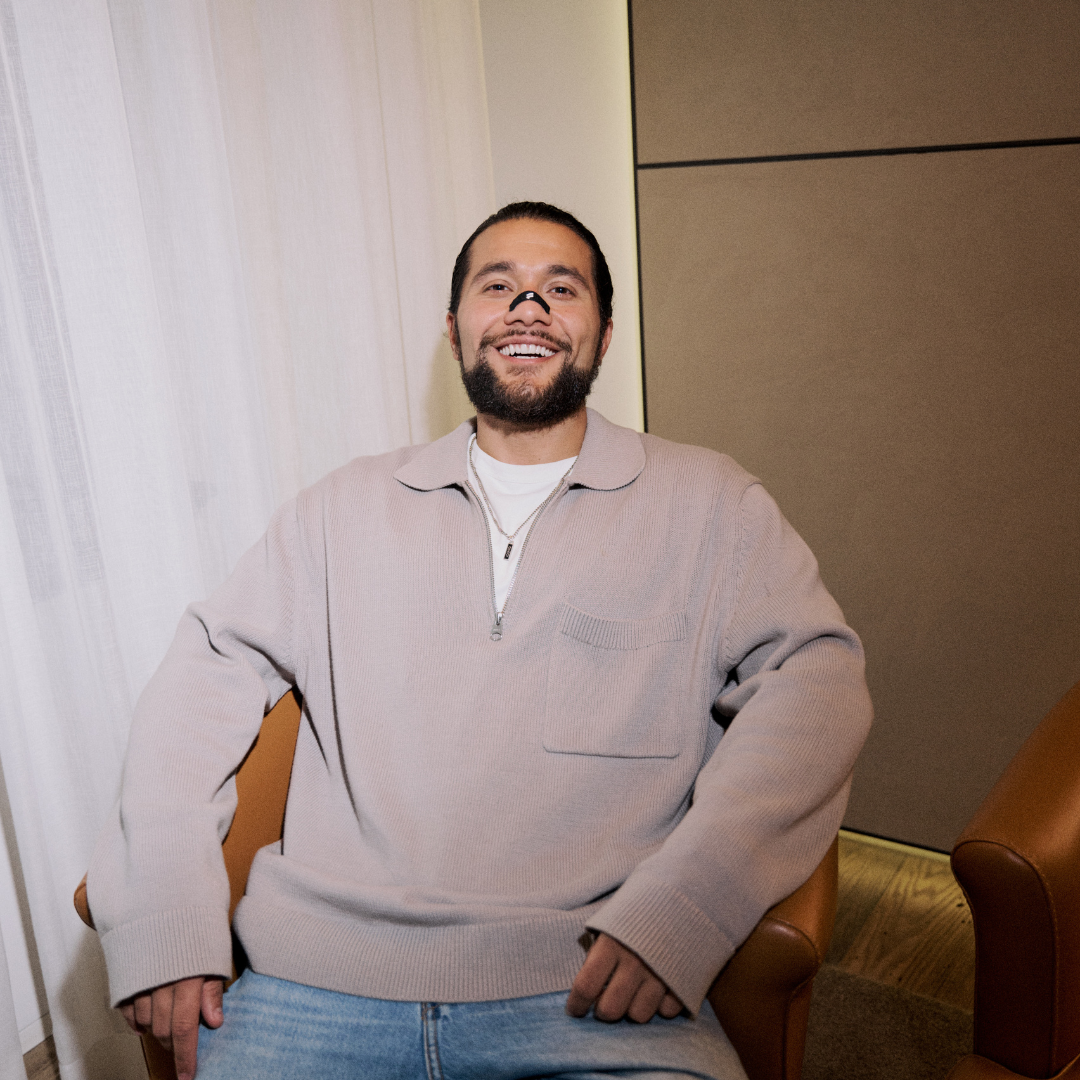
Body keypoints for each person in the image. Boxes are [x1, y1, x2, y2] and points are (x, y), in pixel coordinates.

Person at [88, 202, 873, 1080]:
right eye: (498, 287)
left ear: (605, 334)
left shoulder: (712, 504)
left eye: (560, 289)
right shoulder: (341, 509)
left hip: (592, 988)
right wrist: (164, 912)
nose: (527, 308)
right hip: (315, 984)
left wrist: (689, 908)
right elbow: (204, 675)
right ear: (455, 326)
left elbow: (817, 682)